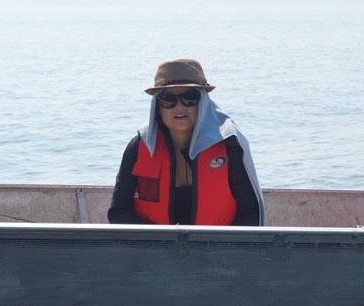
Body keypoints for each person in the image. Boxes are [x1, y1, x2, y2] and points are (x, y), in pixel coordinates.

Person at [108, 59, 265, 225]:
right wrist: (158, 243)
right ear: (158, 108)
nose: (179, 107)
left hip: (217, 247)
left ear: (204, 103)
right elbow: (119, 212)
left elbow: (251, 212)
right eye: (168, 100)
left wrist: (223, 247)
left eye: (189, 98)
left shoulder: (229, 145)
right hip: (155, 247)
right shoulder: (138, 147)